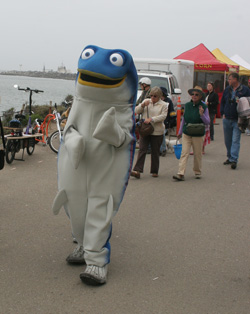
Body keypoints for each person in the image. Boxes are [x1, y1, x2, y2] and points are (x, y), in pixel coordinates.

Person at [173, 86, 210, 181]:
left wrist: (202, 115)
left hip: (198, 133)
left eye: (196, 94)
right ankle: (180, 173)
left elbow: (207, 122)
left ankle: (197, 171)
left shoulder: (204, 107)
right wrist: (180, 132)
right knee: (184, 153)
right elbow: (184, 119)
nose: (194, 96)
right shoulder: (187, 106)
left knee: (197, 154)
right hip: (187, 132)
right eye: (192, 94)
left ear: (200, 96)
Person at [131, 87, 168, 179]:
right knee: (142, 149)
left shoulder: (163, 105)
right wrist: (142, 105)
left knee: (155, 151)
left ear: (159, 96)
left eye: (155, 96)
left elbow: (163, 116)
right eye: (151, 95)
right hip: (145, 130)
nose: (152, 98)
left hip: (157, 131)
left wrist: (152, 119)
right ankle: (137, 170)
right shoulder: (147, 101)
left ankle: (154, 171)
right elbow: (136, 111)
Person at [220, 72, 250, 169]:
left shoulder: (245, 90)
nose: (228, 81)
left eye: (230, 79)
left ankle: (234, 160)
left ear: (235, 79)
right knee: (227, 140)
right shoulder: (227, 90)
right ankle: (229, 157)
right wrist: (222, 113)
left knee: (235, 140)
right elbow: (223, 102)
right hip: (227, 117)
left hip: (238, 119)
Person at [159, 86, 175, 156]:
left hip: (166, 123)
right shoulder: (156, 101)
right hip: (158, 122)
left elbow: (172, 112)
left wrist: (172, 122)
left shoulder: (169, 101)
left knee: (162, 135)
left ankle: (163, 149)